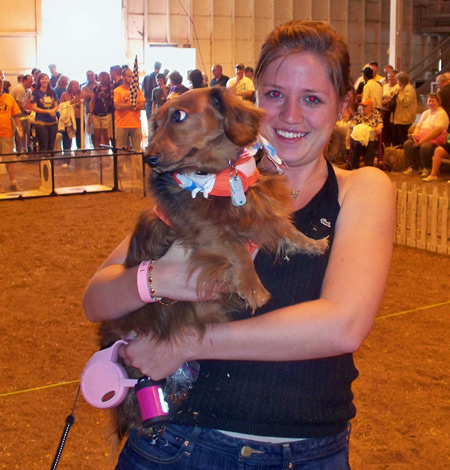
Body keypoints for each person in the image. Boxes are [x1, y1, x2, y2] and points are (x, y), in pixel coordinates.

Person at [83, 20, 395, 469]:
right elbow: (96, 298)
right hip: (173, 446)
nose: (289, 116)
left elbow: (342, 324)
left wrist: (187, 343)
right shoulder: (205, 186)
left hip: (302, 454)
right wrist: (155, 279)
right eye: (273, 95)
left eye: (312, 99)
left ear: (342, 104)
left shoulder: (360, 190)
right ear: (250, 100)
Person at [403, 92, 449, 177]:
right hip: (421, 138)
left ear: (438, 102)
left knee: (426, 146)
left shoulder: (441, 113)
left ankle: (427, 168)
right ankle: (413, 168)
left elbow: (437, 130)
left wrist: (424, 139)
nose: (430, 103)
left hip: (435, 139)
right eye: (429, 101)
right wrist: (415, 136)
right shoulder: (425, 113)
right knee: (408, 144)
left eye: (433, 101)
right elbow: (418, 126)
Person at [0, 76, 23, 192]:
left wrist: (19, 128)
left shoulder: (9, 98)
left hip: (7, 134)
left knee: (9, 160)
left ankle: (13, 183)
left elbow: (15, 115)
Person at [349, 97, 383, 168]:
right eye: (362, 106)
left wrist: (378, 128)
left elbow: (380, 124)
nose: (363, 108)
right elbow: (352, 124)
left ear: (371, 107)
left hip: (371, 137)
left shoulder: (376, 114)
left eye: (365, 106)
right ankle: (354, 168)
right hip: (359, 137)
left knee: (370, 145)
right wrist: (359, 127)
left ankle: (369, 167)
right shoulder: (359, 115)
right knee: (357, 145)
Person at [30, 73, 58, 153]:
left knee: (51, 146)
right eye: (42, 79)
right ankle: (43, 164)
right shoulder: (36, 93)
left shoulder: (52, 92)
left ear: (48, 80)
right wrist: (47, 111)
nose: (44, 80)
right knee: (43, 147)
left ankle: (51, 164)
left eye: (46, 78)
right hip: (41, 122)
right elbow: (34, 107)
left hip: (52, 122)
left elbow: (56, 105)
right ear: (39, 81)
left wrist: (53, 111)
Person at [391, 71, 417, 147]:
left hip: (405, 119)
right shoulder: (403, 88)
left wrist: (401, 93)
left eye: (397, 80)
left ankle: (403, 154)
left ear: (402, 81)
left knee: (403, 138)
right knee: (397, 137)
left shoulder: (409, 89)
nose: (396, 82)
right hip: (400, 118)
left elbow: (406, 102)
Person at [88, 71, 113, 149]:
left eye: (100, 77)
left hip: (106, 114)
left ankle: (107, 153)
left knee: (106, 137)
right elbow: (92, 101)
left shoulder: (110, 88)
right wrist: (90, 114)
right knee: (97, 136)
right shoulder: (96, 88)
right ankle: (97, 152)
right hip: (96, 114)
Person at [380, 69, 399, 146]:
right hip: (384, 111)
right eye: (389, 77)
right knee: (385, 130)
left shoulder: (398, 87)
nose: (390, 78)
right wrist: (386, 101)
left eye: (392, 76)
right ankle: (385, 145)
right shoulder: (385, 86)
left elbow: (396, 99)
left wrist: (388, 101)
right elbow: (380, 98)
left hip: (394, 112)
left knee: (393, 130)